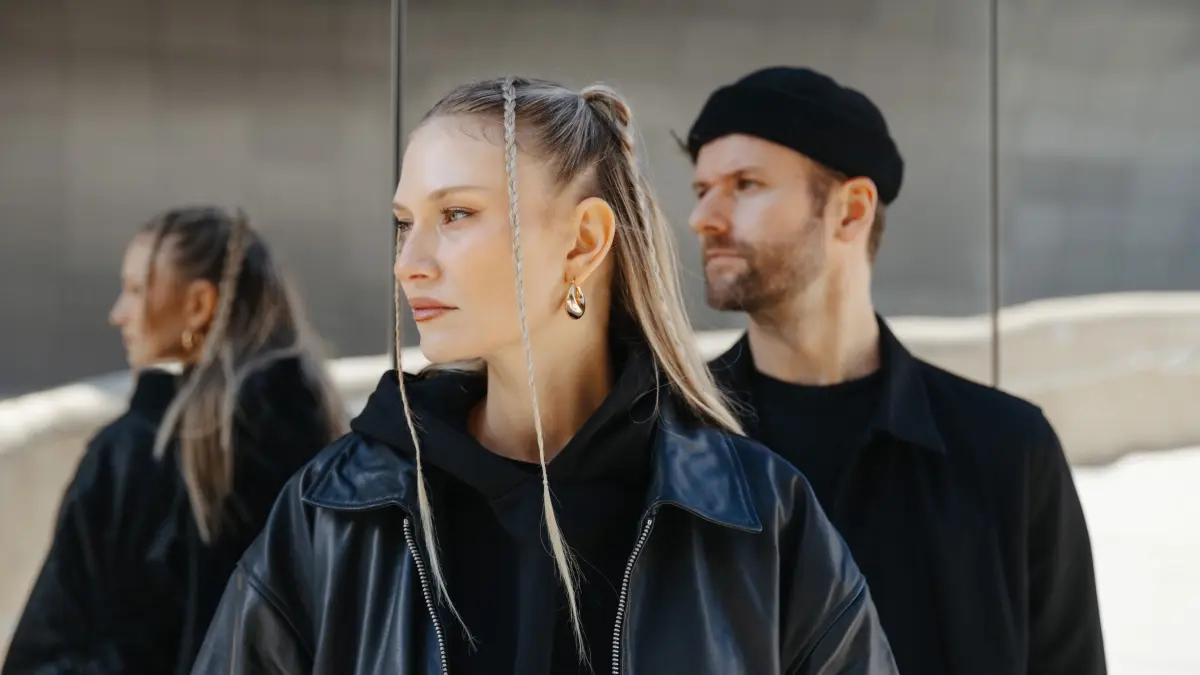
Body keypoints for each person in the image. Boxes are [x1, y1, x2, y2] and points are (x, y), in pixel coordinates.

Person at [189, 77, 898, 675]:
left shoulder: (758, 517)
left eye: (456, 214)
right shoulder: (336, 510)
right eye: (405, 222)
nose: (410, 262)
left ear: (584, 241)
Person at [686, 66, 1107, 675]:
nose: (705, 216)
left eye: (745, 185)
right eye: (701, 189)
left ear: (851, 210)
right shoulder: (668, 433)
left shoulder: (1005, 450)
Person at [3, 207, 347, 675]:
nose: (117, 314)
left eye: (136, 290)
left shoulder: (137, 456)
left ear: (198, 306)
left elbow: (48, 649)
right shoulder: (331, 448)